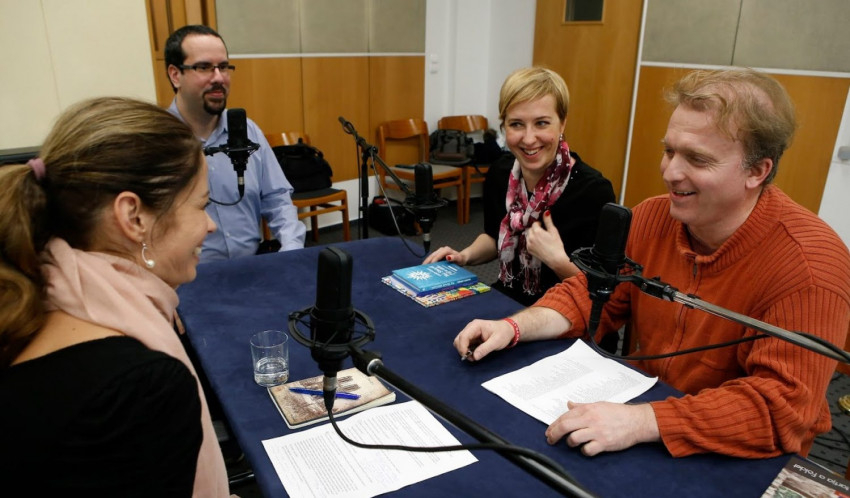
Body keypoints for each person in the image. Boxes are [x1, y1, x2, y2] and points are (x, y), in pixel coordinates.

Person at [453, 68, 850, 459]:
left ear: (758, 171)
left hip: (735, 454)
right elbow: (593, 293)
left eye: (697, 159)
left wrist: (643, 421)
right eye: (669, 151)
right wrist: (515, 326)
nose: (669, 172)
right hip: (648, 415)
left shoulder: (811, 267)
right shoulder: (651, 217)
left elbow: (782, 410)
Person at [0, 97, 230, 496]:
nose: (210, 225)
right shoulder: (141, 389)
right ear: (133, 217)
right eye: (201, 205)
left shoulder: (27, 294)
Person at [424, 67, 615, 307]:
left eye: (542, 123)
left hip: (561, 312)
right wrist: (464, 256)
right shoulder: (500, 172)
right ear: (504, 126)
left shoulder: (594, 192)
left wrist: (558, 261)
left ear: (562, 123)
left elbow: (603, 295)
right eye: (516, 124)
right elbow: (494, 236)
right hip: (508, 298)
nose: (529, 138)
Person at [164, 24, 305, 262]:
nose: (219, 78)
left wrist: (291, 249)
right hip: (190, 275)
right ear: (175, 75)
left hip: (252, 266)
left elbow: (277, 198)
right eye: (204, 67)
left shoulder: (248, 131)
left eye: (223, 67)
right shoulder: (156, 141)